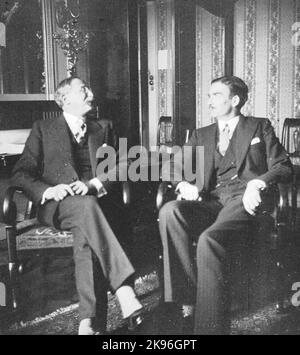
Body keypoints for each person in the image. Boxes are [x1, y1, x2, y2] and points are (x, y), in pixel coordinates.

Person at [158, 76, 292, 334]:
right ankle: (188, 297)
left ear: (235, 100)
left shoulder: (259, 127)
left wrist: (258, 183)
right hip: (211, 199)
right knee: (170, 211)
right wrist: (182, 184)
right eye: (209, 95)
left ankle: (210, 329)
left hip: (245, 199)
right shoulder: (202, 134)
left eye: (216, 95)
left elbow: (283, 166)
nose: (209, 101)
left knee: (209, 240)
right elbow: (172, 166)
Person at [11, 77, 143, 335]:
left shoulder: (103, 129)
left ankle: (88, 322)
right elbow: (21, 173)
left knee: (86, 226)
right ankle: (123, 288)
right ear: (65, 99)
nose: (90, 92)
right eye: (83, 89)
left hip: (95, 206)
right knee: (86, 209)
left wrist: (94, 183)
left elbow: (127, 163)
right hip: (58, 206)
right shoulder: (42, 128)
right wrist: (49, 190)